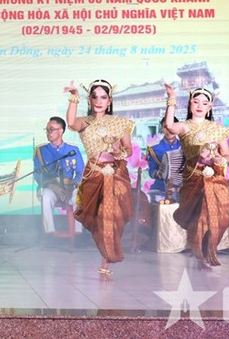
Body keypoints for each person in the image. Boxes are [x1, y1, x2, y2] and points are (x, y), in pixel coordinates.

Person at [65, 79, 133, 280]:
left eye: (103, 97)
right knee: (100, 219)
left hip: (117, 175)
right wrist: (73, 97)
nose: (99, 101)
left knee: (111, 217)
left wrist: (119, 153)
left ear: (109, 100)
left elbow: (128, 149)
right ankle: (106, 254)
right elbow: (70, 123)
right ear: (89, 99)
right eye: (95, 97)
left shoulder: (120, 123)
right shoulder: (85, 123)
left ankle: (106, 260)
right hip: (94, 174)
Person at [164, 84, 229, 268]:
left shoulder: (218, 130)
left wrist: (220, 159)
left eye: (204, 103)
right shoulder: (185, 126)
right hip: (193, 177)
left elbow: (227, 155)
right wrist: (171, 98)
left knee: (222, 218)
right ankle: (200, 253)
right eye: (195, 102)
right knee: (199, 217)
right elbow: (169, 126)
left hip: (215, 178)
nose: (200, 106)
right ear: (190, 104)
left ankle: (208, 248)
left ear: (210, 107)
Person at [33, 116, 84, 242]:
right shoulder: (41, 151)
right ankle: (49, 233)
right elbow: (37, 174)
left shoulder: (72, 150)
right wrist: (52, 186)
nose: (48, 133)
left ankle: (78, 234)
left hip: (70, 187)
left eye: (51, 129)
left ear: (61, 131)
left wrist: (71, 186)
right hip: (52, 187)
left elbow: (80, 172)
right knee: (46, 196)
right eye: (47, 130)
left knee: (79, 196)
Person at [146, 115, 182, 203]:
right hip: (161, 188)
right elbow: (151, 171)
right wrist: (159, 173)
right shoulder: (154, 147)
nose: (169, 130)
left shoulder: (184, 146)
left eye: (172, 127)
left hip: (182, 188)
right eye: (165, 127)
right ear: (161, 128)